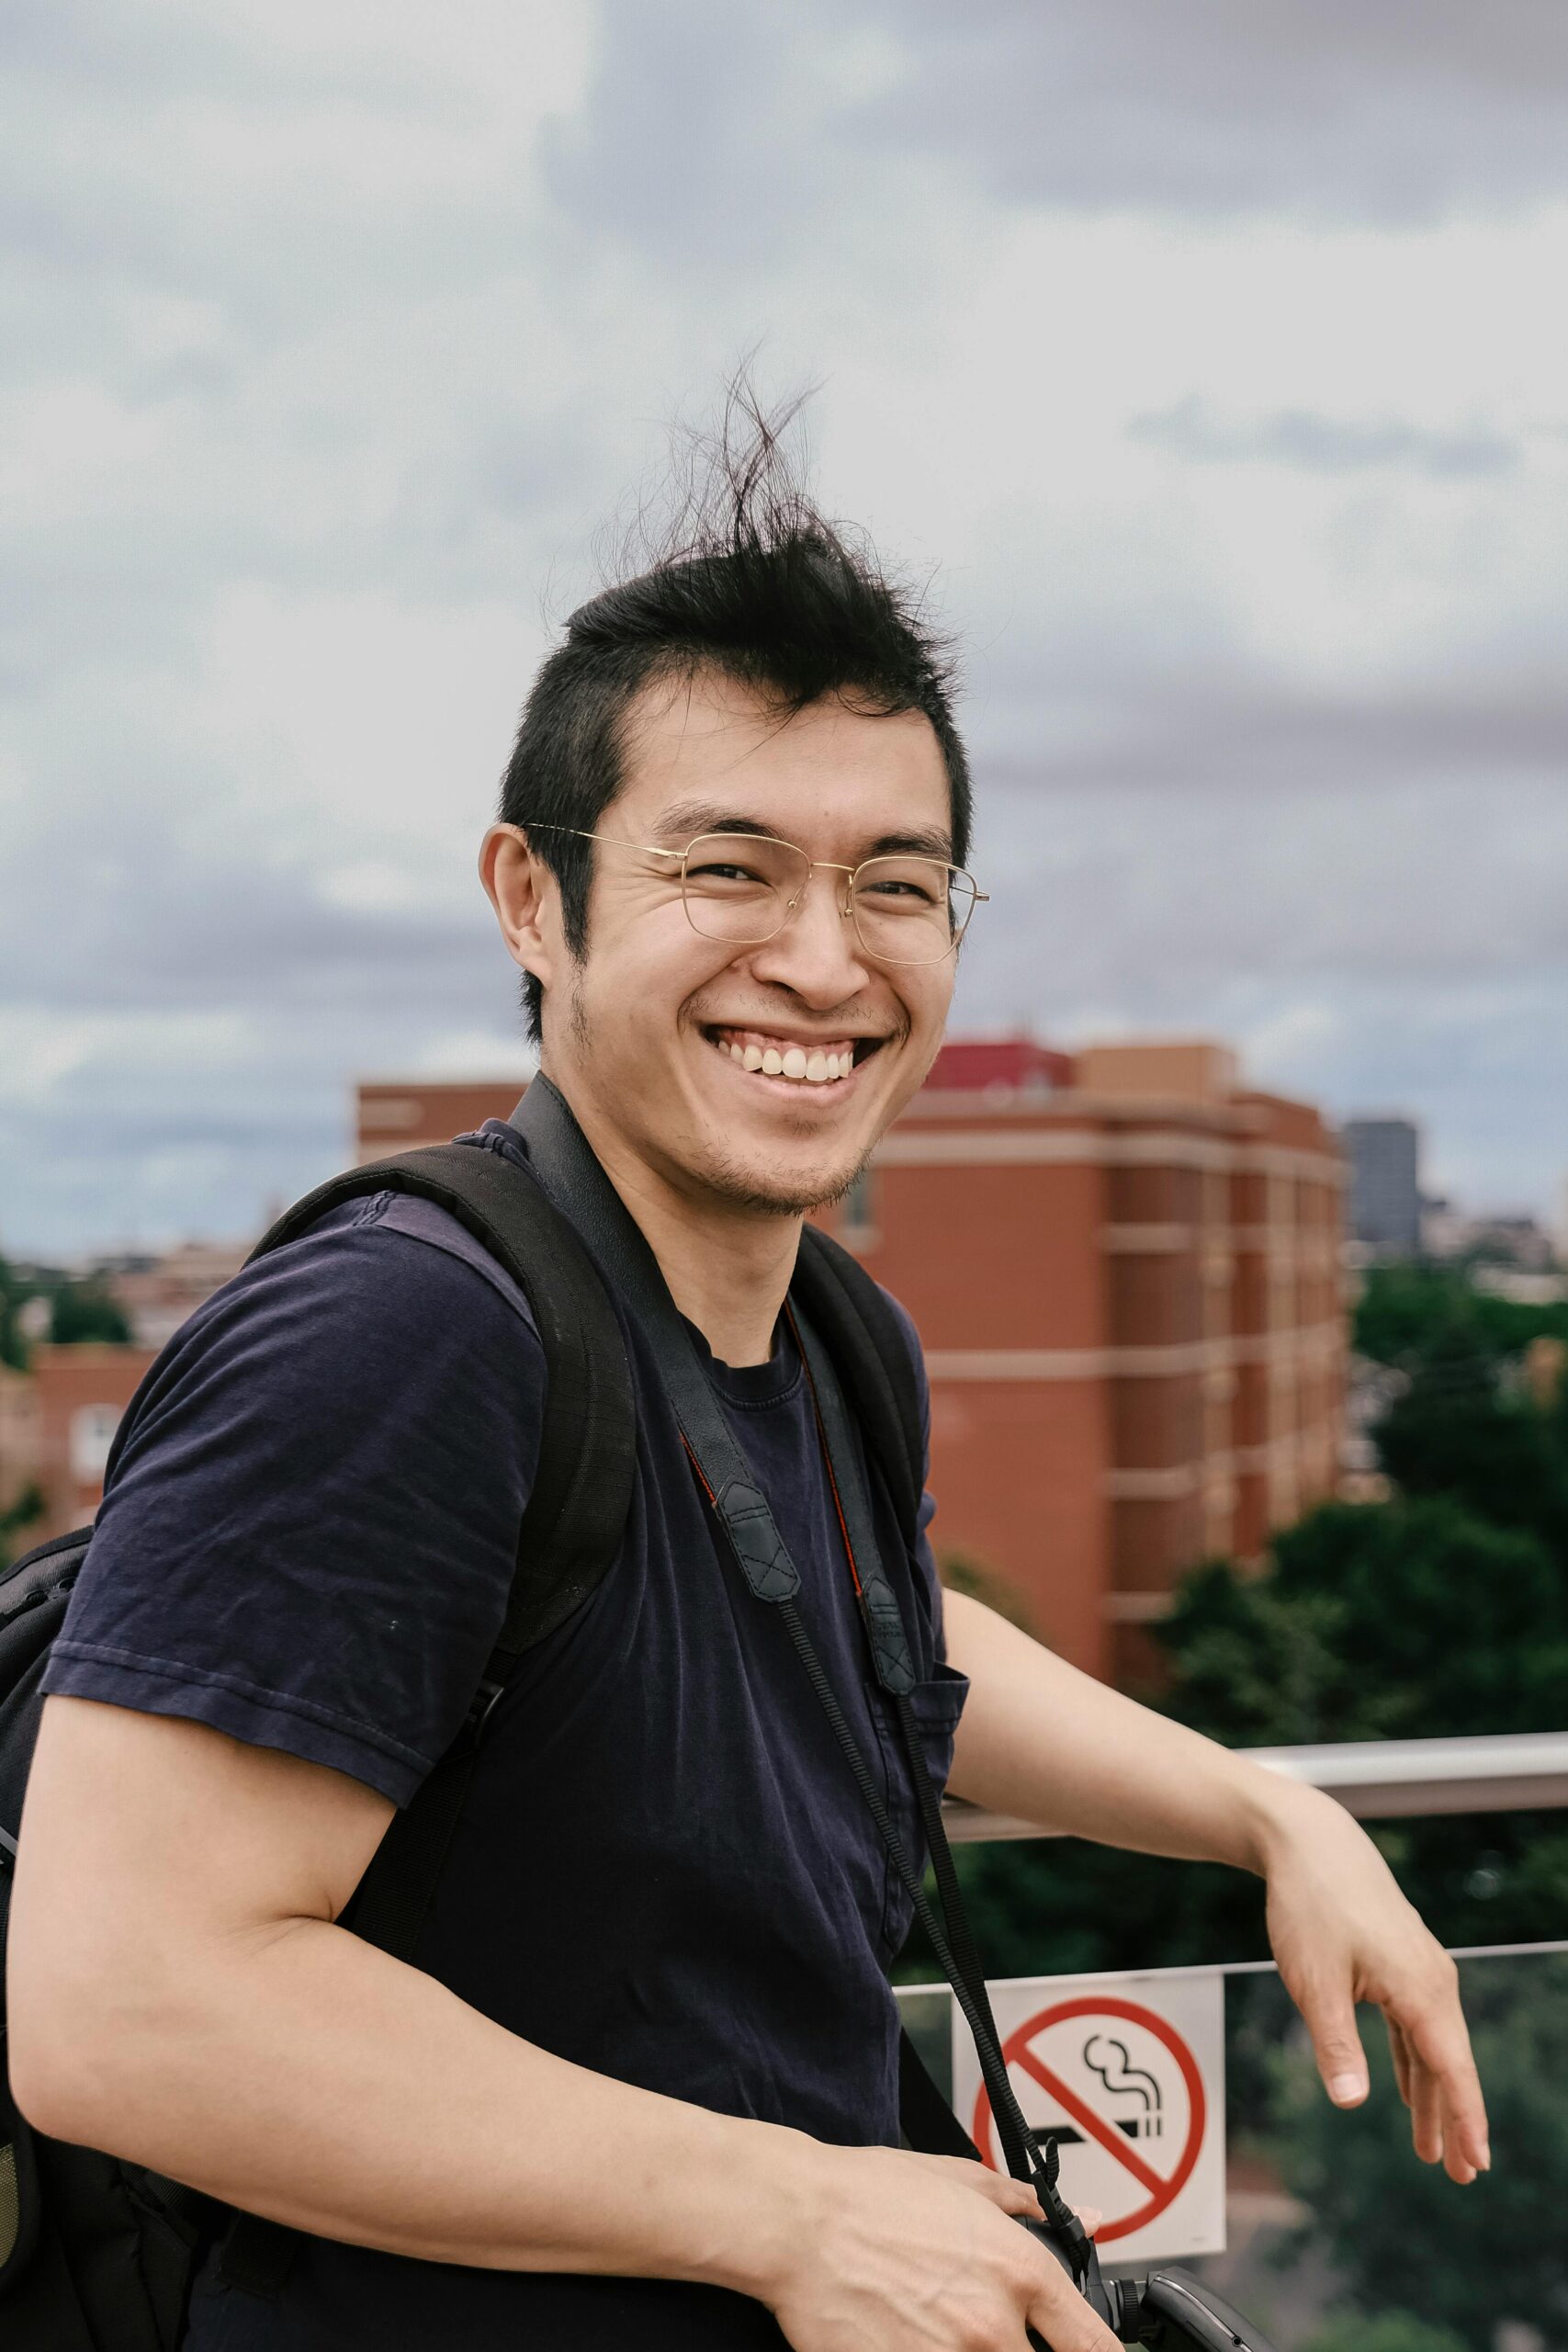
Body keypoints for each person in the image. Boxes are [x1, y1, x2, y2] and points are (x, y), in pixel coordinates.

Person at [7, 400, 1487, 2352]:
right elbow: (124, 2007)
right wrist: (787, 2206)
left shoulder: (825, 1333)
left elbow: (879, 1638)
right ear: (534, 899)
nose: (822, 956)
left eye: (895, 881)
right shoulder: (401, 1333)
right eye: (729, 865)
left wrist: (1262, 1809)